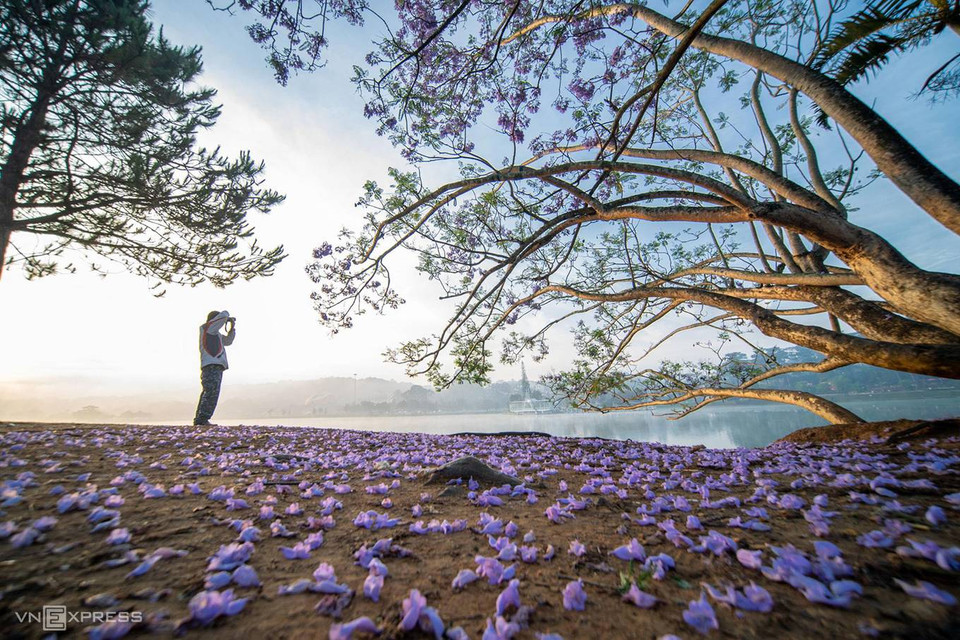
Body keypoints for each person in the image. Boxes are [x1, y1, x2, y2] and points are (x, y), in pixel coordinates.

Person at [193, 310, 236, 426]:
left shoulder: (215, 334)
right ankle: (202, 419)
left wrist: (232, 328)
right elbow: (222, 316)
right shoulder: (206, 329)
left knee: (210, 392)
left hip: (216, 366)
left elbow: (228, 341)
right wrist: (227, 317)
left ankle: (200, 419)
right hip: (210, 365)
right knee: (210, 393)